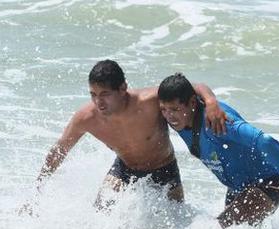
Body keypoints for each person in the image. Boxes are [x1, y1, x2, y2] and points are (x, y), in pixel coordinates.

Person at [24, 60, 227, 213]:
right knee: (100, 214)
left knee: (174, 225)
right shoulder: (86, 118)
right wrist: (38, 188)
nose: (98, 102)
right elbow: (59, 150)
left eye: (104, 94)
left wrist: (211, 103)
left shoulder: (150, 101)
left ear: (122, 89)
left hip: (165, 169)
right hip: (124, 169)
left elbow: (193, 88)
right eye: (93, 95)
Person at [157, 73, 279, 228]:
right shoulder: (180, 118)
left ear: (192, 103)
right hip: (236, 189)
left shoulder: (219, 121)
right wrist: (211, 100)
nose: (169, 116)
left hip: (266, 185)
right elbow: (194, 86)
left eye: (174, 109)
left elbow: (266, 142)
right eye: (163, 109)